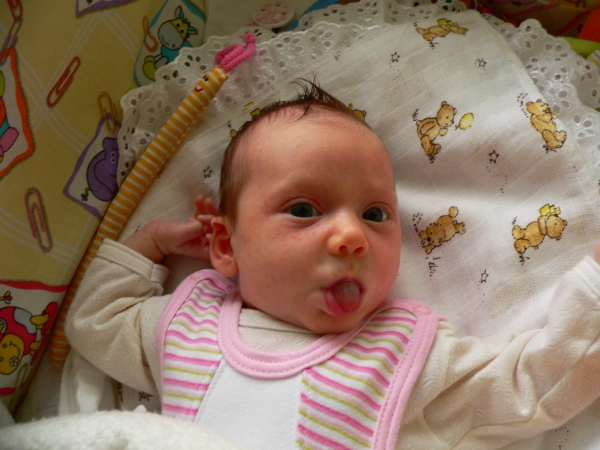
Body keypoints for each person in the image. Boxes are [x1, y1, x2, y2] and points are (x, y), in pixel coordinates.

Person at [66, 82, 600, 450]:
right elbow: (95, 321)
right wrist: (149, 244)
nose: (351, 236)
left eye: (374, 215)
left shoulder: (400, 359)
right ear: (226, 246)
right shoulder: (189, 323)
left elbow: (530, 385)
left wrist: (593, 285)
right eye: (304, 210)